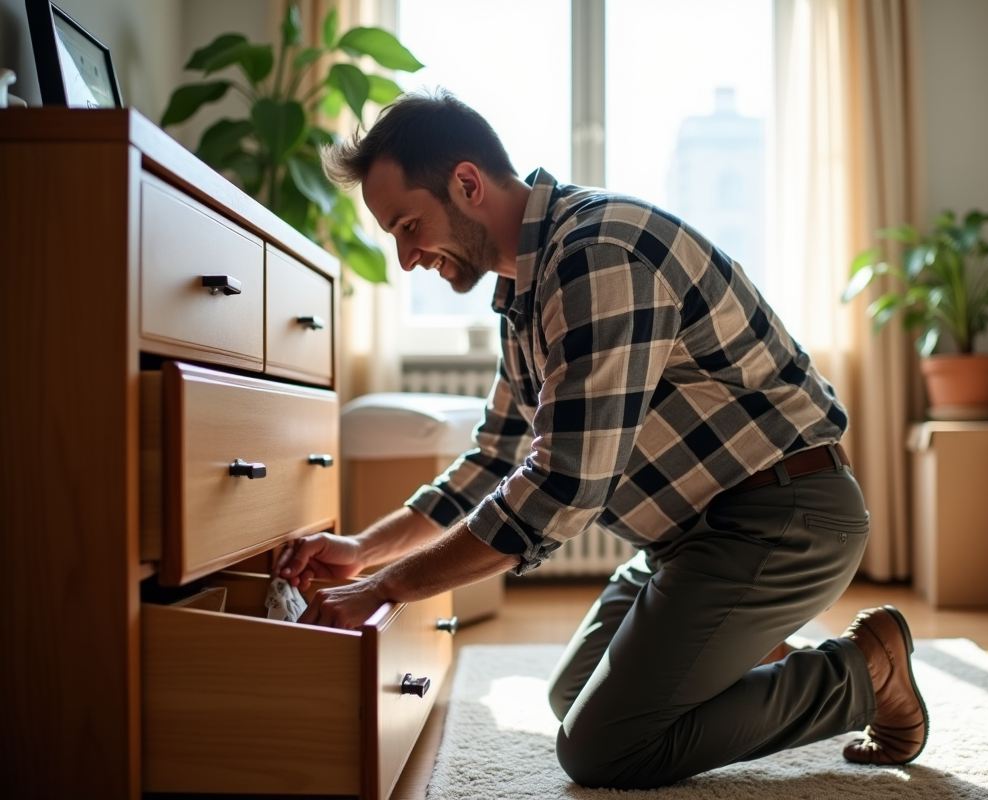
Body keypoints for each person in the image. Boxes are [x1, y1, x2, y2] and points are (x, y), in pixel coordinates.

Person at [274, 88, 928, 789]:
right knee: (574, 695)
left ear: (466, 184)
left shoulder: (595, 254)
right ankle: (746, 643)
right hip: (691, 540)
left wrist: (385, 587)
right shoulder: (526, 295)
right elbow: (493, 457)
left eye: (409, 225)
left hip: (783, 517)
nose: (405, 259)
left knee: (603, 749)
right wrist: (362, 550)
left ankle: (863, 671)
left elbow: (563, 486)